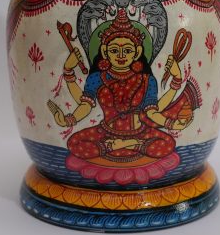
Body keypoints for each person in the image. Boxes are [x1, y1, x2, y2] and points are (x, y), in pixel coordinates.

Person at [48, 9, 191, 162]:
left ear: (137, 52)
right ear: (104, 51)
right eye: (114, 50)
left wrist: (172, 121)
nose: (121, 56)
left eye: (127, 50)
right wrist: (68, 119)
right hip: (106, 132)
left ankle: (124, 144)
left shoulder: (146, 80)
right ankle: (124, 145)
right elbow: (85, 105)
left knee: (167, 143)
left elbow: (152, 112)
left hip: (139, 133)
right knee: (75, 142)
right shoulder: (98, 77)